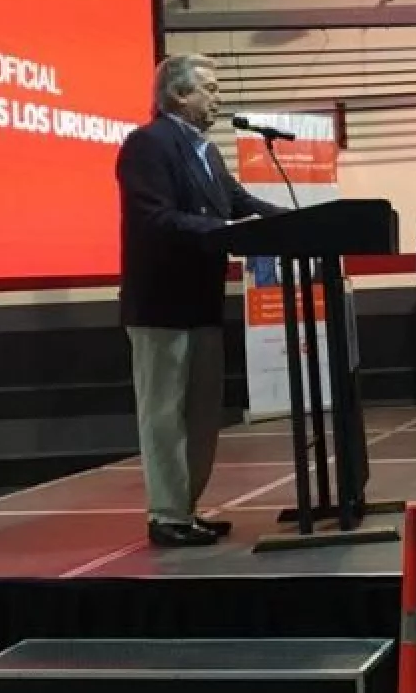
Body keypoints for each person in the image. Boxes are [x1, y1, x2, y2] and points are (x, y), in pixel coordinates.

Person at [117, 54, 289, 547]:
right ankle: (167, 515)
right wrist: (225, 230)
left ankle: (185, 508)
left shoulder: (207, 153)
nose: (218, 98)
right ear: (178, 94)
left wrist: (295, 222)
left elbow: (240, 201)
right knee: (164, 414)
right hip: (161, 304)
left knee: (202, 415)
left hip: (202, 303)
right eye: (209, 89)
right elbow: (154, 218)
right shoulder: (147, 144)